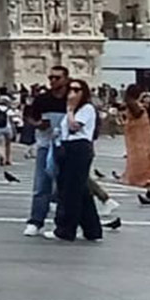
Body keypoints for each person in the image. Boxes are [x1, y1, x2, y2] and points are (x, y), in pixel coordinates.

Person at [52, 78, 103, 243]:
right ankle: (92, 229)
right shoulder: (74, 109)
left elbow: (74, 126)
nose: (72, 93)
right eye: (70, 90)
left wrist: (70, 109)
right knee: (80, 190)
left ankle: (66, 230)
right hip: (67, 148)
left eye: (76, 90)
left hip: (79, 148)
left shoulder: (86, 109)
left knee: (70, 191)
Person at [22, 67, 70, 237]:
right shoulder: (42, 99)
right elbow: (29, 116)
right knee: (41, 185)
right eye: (51, 78)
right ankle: (36, 221)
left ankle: (62, 224)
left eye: (57, 78)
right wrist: (38, 124)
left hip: (67, 146)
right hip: (45, 144)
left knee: (65, 186)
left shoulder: (72, 99)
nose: (53, 81)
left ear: (66, 79)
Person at [120, 84, 150, 189]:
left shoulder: (132, 103)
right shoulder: (133, 103)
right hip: (138, 133)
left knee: (142, 154)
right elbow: (138, 114)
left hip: (140, 132)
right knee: (141, 155)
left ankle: (145, 175)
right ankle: (141, 177)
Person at [0, 88, 17, 168]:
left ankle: (2, 156)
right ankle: (8, 159)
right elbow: (12, 119)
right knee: (8, 144)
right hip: (7, 127)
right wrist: (14, 128)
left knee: (1, 144)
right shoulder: (9, 109)